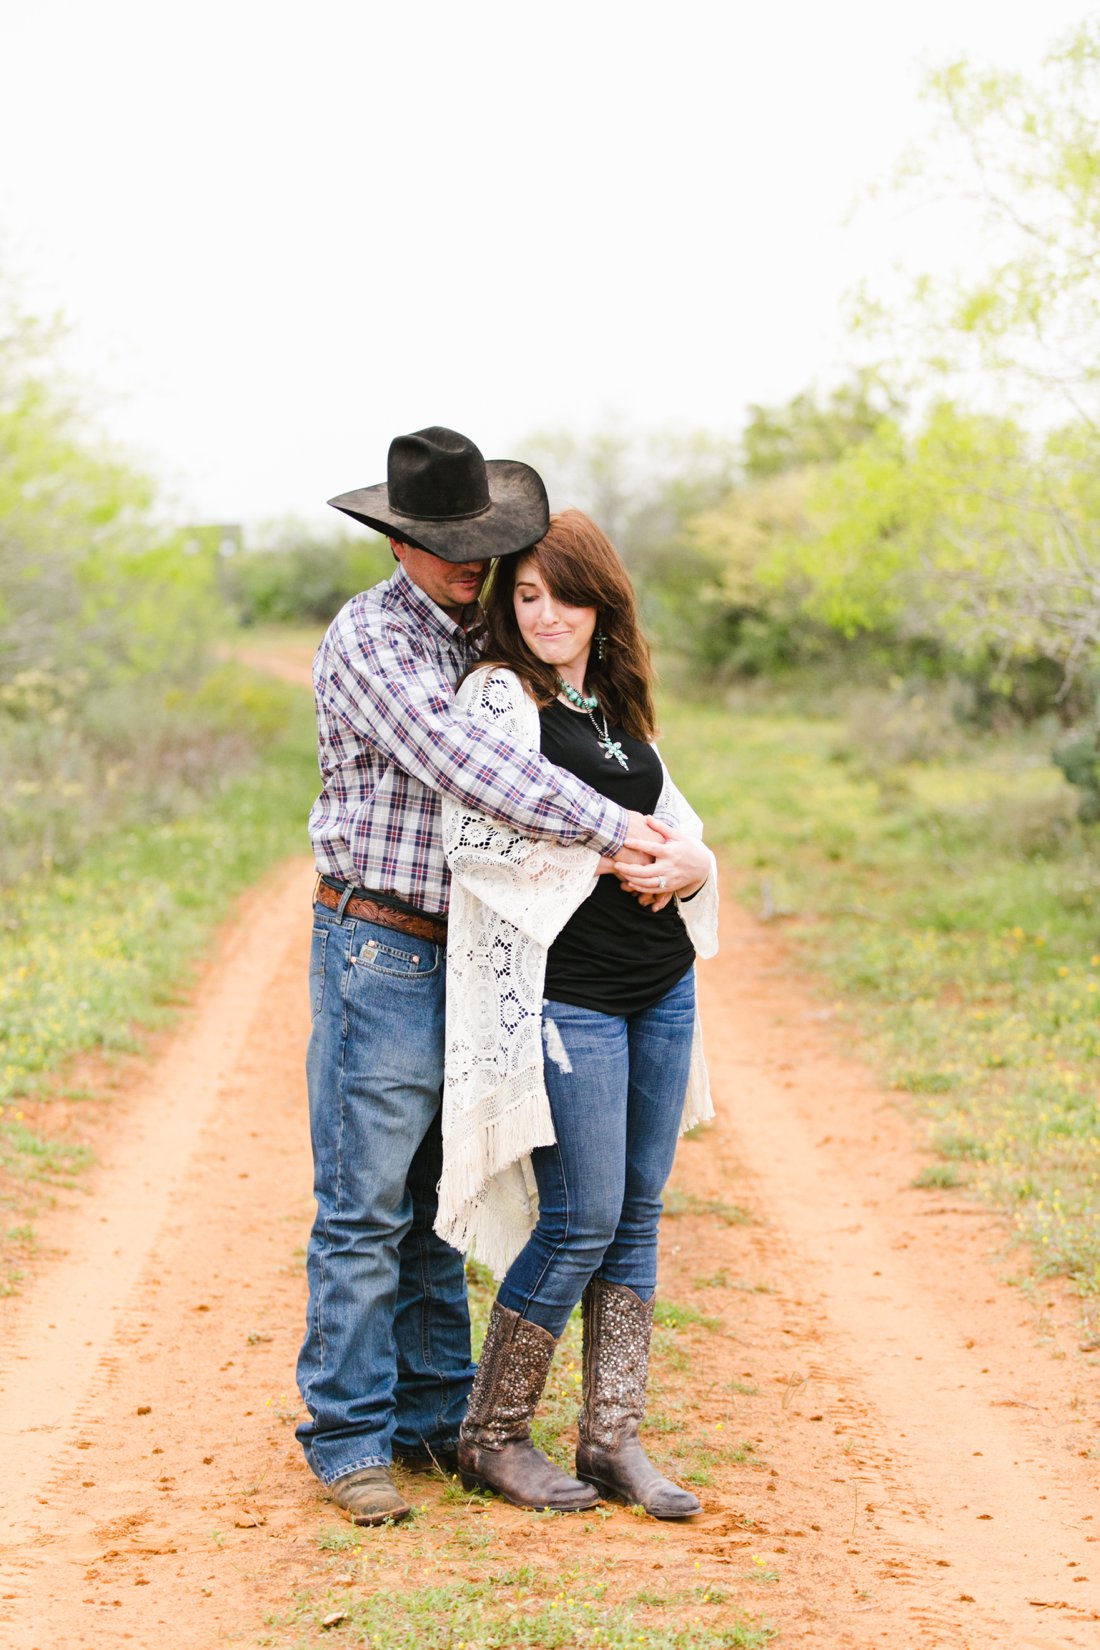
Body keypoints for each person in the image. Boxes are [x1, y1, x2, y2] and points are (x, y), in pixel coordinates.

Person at [297, 429, 696, 1526]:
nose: (473, 566)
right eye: (447, 546)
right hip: (379, 943)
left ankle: (433, 1415)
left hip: (481, 954)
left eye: (482, 545)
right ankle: (346, 1435)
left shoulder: (490, 628)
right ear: (400, 542)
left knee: (443, 1190)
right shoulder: (372, 638)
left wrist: (680, 849)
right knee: (366, 1201)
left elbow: (582, 730)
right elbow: (469, 765)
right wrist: (622, 831)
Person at [436, 508, 719, 1520]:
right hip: (571, 998)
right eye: (523, 595)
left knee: (636, 1215)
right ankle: (491, 1434)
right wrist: (594, 853)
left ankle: (610, 1438)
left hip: (661, 984)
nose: (544, 612)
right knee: (581, 1215)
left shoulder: (614, 697)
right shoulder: (499, 699)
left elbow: (675, 824)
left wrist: (696, 864)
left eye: (561, 592)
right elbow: (470, 837)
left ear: (601, 599)